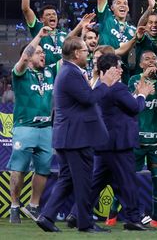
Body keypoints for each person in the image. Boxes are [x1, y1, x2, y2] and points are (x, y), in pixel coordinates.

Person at [36, 36, 117, 233]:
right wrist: (105, 82)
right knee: (83, 182)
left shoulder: (70, 71)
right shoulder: (70, 73)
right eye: (85, 51)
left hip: (70, 136)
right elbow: (89, 99)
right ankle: (85, 223)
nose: (88, 54)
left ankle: (46, 217)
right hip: (76, 138)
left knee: (67, 180)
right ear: (76, 53)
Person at [85, 53, 155, 231]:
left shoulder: (101, 86)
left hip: (105, 144)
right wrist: (142, 95)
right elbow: (134, 107)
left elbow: (122, 104)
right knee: (128, 182)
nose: (121, 69)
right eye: (118, 66)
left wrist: (136, 94)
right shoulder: (117, 88)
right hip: (119, 144)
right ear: (110, 69)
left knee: (96, 183)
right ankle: (133, 218)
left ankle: (77, 214)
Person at [8, 27, 56, 224]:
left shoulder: (50, 73)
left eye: (43, 52)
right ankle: (14, 206)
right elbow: (27, 55)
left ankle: (33, 206)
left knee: (43, 169)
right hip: (25, 127)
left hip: (46, 129)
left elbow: (69, 57)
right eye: (38, 52)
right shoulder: (20, 73)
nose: (42, 54)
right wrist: (38, 36)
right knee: (18, 168)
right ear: (27, 57)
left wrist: (80, 29)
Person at [21, 0, 67, 64]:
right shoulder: (38, 28)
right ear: (42, 19)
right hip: (44, 73)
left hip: (61, 75)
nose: (52, 16)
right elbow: (26, 9)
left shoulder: (63, 34)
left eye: (54, 14)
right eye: (48, 15)